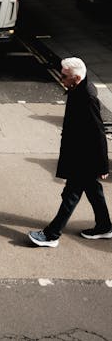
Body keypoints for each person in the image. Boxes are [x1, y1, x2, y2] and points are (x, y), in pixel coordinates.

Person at [28, 57, 111, 248]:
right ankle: (105, 226)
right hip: (79, 153)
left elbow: (98, 133)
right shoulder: (77, 89)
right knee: (93, 190)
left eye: (65, 76)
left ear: (77, 78)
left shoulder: (87, 98)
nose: (61, 78)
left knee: (71, 195)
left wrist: (102, 164)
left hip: (84, 157)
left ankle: (52, 235)